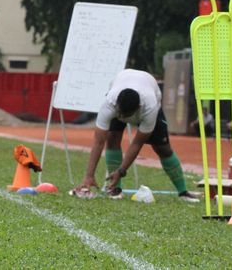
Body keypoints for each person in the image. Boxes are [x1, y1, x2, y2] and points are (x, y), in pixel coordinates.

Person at [75, 69, 200, 202]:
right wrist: (89, 176)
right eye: (120, 113)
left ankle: (183, 192)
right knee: (112, 140)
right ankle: (114, 189)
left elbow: (137, 143)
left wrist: (121, 171)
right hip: (125, 84)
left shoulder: (149, 107)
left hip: (150, 92)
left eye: (126, 115)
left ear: (138, 108)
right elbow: (98, 142)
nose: (122, 117)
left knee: (163, 149)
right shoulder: (110, 103)